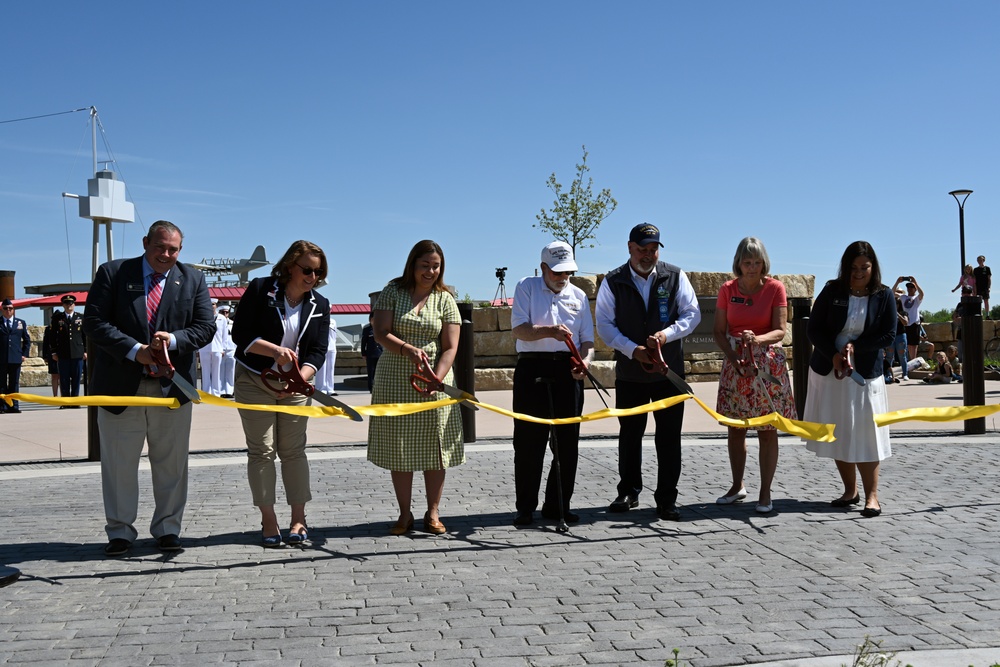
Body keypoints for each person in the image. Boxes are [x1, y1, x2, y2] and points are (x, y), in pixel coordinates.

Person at [83, 220, 215, 556]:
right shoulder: (113, 273)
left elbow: (204, 327)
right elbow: (95, 323)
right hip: (119, 387)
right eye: (160, 247)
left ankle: (168, 528)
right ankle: (120, 532)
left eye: (173, 249)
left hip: (171, 390)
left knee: (171, 463)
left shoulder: (194, 279)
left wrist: (172, 340)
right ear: (146, 242)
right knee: (118, 464)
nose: (166, 254)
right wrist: (135, 351)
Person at [595, 223, 701, 521]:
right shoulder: (612, 281)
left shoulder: (675, 275)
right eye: (642, 249)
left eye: (653, 249)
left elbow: (692, 314)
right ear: (630, 247)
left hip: (668, 373)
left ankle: (667, 498)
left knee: (669, 438)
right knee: (630, 435)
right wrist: (633, 350)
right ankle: (628, 491)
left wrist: (666, 335)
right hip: (631, 373)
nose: (648, 255)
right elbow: (605, 325)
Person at [232, 240, 330, 548]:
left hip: (295, 387)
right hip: (254, 379)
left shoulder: (320, 305)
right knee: (262, 450)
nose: (312, 277)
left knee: (293, 451)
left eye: (319, 272)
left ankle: (298, 518)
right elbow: (241, 334)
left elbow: (317, 350)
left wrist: (299, 378)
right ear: (289, 266)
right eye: (307, 270)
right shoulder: (261, 289)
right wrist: (275, 352)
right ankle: (269, 518)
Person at [367, 240, 464, 536]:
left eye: (436, 266)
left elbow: (450, 346)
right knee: (401, 446)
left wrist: (438, 377)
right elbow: (380, 332)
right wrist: (407, 349)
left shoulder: (446, 298)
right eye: (425, 265)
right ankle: (404, 513)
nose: (431, 271)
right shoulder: (392, 291)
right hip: (395, 376)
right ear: (412, 264)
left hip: (434, 380)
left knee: (436, 447)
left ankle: (433, 513)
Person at [803, 241, 896, 518]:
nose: (858, 272)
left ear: (873, 267)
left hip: (864, 375)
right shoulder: (832, 290)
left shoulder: (884, 295)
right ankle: (849, 491)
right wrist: (833, 354)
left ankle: (872, 496)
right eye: (853, 268)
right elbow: (813, 329)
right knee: (839, 430)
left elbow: (888, 335)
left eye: (864, 267)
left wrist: (858, 347)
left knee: (867, 433)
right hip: (830, 372)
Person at [510, 241, 595, 527]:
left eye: (568, 272)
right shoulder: (526, 287)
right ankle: (525, 508)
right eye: (557, 272)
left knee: (567, 444)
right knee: (528, 442)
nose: (563, 278)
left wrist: (585, 362)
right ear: (544, 268)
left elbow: (587, 342)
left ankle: (558, 505)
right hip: (531, 366)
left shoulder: (580, 296)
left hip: (567, 370)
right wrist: (550, 331)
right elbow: (519, 329)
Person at [712, 237, 796, 514]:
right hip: (736, 364)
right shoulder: (727, 289)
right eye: (747, 262)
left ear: (764, 263)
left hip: (766, 363)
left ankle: (765, 491)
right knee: (735, 429)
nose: (751, 268)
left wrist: (757, 339)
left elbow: (780, 330)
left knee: (767, 430)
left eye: (756, 262)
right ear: (738, 263)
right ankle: (737, 486)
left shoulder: (775, 288)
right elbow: (718, 330)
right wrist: (734, 357)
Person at [51, 294, 86, 403]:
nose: (69, 305)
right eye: (66, 303)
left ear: (74, 305)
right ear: (63, 305)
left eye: (71, 303)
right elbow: (52, 336)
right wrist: (53, 352)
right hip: (63, 353)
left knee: (76, 378)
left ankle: (75, 401)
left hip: (77, 352)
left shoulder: (80, 317)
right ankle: (65, 402)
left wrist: (85, 351)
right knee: (64, 378)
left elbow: (84, 335)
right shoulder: (58, 318)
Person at [0, 299, 31, 414]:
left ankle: (14, 406)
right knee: (1, 384)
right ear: (2, 309)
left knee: (14, 383)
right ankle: (3, 406)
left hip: (15, 357)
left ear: (13, 310)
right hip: (1, 358)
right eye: (5, 308)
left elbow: (27, 340)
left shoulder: (20, 323)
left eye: (10, 308)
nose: (8, 311)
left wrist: (24, 354)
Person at [198, 300, 227, 396]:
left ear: (216, 306)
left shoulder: (222, 318)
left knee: (216, 371)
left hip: (217, 347)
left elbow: (224, 335)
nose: (212, 306)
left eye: (213, 304)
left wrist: (223, 348)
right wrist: (198, 348)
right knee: (205, 371)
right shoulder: (202, 317)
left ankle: (216, 393)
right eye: (210, 304)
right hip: (204, 348)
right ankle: (206, 392)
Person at [896, 276, 924, 361]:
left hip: (915, 323)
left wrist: (916, 282)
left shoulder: (916, 299)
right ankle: (910, 361)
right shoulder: (904, 297)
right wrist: (897, 282)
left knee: (914, 344)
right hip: (906, 322)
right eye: (908, 287)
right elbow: (892, 292)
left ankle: (913, 360)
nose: (910, 288)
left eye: (912, 287)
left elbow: (922, 294)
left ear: (915, 289)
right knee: (908, 344)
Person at [884, 292, 908, 383]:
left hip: (900, 335)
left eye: (897, 303)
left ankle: (905, 374)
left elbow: (906, 322)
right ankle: (888, 374)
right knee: (889, 356)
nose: (896, 305)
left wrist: (898, 314)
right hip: (891, 336)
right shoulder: (889, 313)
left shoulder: (903, 312)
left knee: (902, 356)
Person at [360, 314, 382, 392]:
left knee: (378, 372)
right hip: (370, 354)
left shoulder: (380, 327)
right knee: (371, 372)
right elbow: (363, 342)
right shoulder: (367, 329)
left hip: (380, 353)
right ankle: (371, 388)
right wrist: (363, 353)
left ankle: (378, 388)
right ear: (370, 319)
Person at [316, 318, 338, 395]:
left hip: (332, 347)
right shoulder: (319, 320)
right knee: (322, 368)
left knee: (330, 368)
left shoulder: (333, 321)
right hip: (321, 347)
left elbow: (334, 335)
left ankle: (330, 388)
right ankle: (321, 388)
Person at [219, 304, 236, 398]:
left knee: (230, 371)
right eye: (223, 312)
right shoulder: (217, 322)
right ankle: (221, 391)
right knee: (221, 371)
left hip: (231, 349)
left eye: (227, 312)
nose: (225, 314)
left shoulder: (232, 323)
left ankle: (229, 391)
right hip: (221, 350)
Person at [41, 322, 60, 397]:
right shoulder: (49, 328)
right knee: (54, 375)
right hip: (51, 354)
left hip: (62, 353)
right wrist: (45, 356)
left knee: (62, 376)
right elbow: (45, 342)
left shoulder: (63, 325)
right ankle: (55, 395)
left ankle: (64, 396)